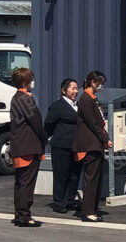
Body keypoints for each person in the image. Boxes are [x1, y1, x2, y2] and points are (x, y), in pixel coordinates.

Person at [9, 67, 47, 228]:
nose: (33, 82)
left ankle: (19, 214)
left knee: (20, 182)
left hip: (19, 146)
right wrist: (45, 138)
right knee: (27, 183)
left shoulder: (15, 98)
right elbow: (36, 122)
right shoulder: (26, 99)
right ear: (25, 82)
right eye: (31, 79)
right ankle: (25, 216)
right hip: (29, 147)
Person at [74, 71, 112, 222]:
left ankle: (93, 209)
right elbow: (93, 123)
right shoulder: (85, 99)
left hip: (96, 143)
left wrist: (105, 139)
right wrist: (104, 139)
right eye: (99, 83)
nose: (100, 86)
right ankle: (88, 211)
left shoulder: (93, 99)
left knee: (97, 178)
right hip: (90, 144)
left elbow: (99, 123)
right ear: (92, 82)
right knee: (90, 179)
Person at [44, 78, 81, 214]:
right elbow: (49, 124)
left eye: (76, 88)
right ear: (64, 90)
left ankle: (71, 200)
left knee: (74, 174)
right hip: (61, 145)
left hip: (76, 145)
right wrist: (49, 137)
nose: (75, 91)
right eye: (73, 88)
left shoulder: (78, 105)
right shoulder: (58, 106)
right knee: (61, 174)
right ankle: (60, 202)